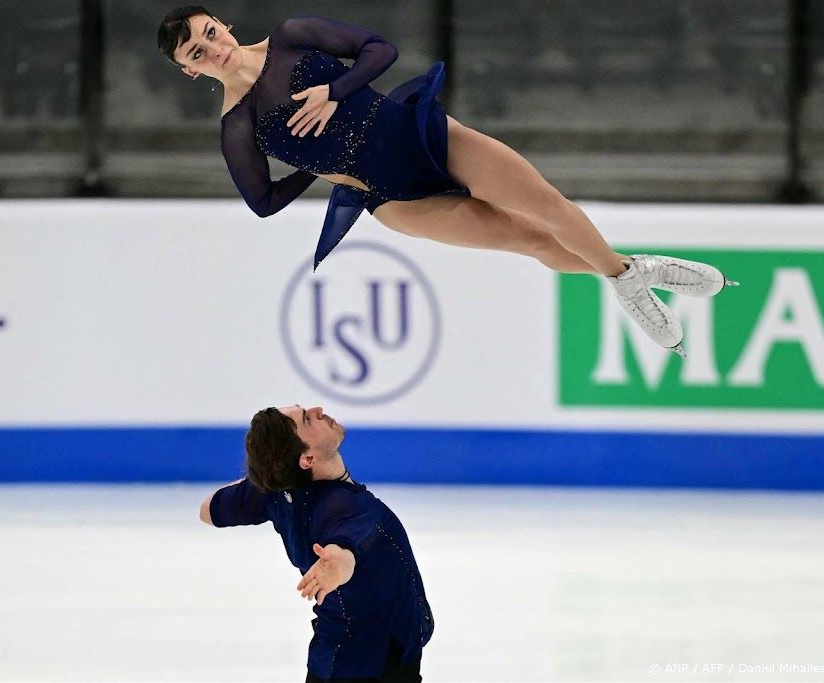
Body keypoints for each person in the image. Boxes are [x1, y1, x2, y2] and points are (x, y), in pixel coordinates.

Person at [156, 7, 738, 356]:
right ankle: (633, 276)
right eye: (197, 51)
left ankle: (628, 277)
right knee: (529, 242)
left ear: (223, 22)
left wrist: (336, 91)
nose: (213, 48)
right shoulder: (238, 126)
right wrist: (316, 162)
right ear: (189, 70)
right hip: (394, 198)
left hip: (423, 133)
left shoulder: (290, 36)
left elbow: (380, 49)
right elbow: (261, 201)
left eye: (210, 31)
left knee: (549, 209)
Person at [200, 404, 429, 682]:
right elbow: (346, 543)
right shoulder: (345, 506)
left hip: (333, 657)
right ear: (307, 459)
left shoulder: (273, 494)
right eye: (308, 419)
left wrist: (267, 470)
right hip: (376, 662)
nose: (319, 410)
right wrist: (338, 563)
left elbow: (208, 510)